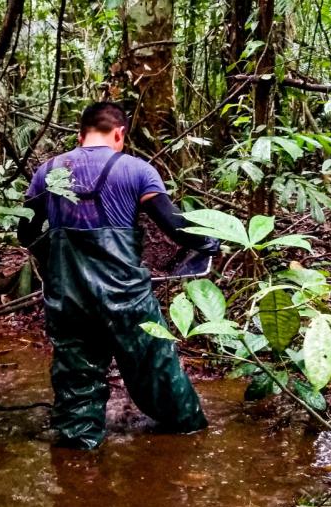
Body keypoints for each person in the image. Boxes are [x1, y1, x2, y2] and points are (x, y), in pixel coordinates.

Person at [18, 102, 219, 449]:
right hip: (126, 298)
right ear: (119, 133)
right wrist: (210, 240)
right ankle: (189, 435)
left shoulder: (46, 172)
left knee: (76, 382)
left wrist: (57, 263)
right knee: (158, 370)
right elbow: (173, 225)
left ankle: (78, 459)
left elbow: (26, 232)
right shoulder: (137, 171)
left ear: (80, 135)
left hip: (69, 299)